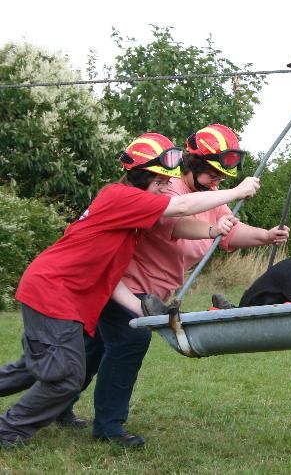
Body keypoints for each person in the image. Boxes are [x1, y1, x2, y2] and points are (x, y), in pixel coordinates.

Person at [0, 132, 261, 448]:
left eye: (168, 180)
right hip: (53, 291)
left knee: (36, 368)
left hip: (66, 295)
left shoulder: (132, 217)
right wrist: (238, 191)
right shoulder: (119, 196)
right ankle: (7, 431)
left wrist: (145, 313)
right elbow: (181, 206)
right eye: (160, 181)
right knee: (65, 377)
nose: (166, 187)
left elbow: (111, 278)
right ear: (140, 176)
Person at [77, 123, 288, 447]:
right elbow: (173, 221)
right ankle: (108, 427)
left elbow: (229, 231)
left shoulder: (209, 196)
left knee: (93, 349)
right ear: (192, 164)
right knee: (129, 343)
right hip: (125, 285)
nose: (217, 182)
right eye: (213, 174)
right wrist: (233, 195)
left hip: (153, 292)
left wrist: (266, 235)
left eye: (222, 178)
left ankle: (57, 404)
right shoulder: (168, 188)